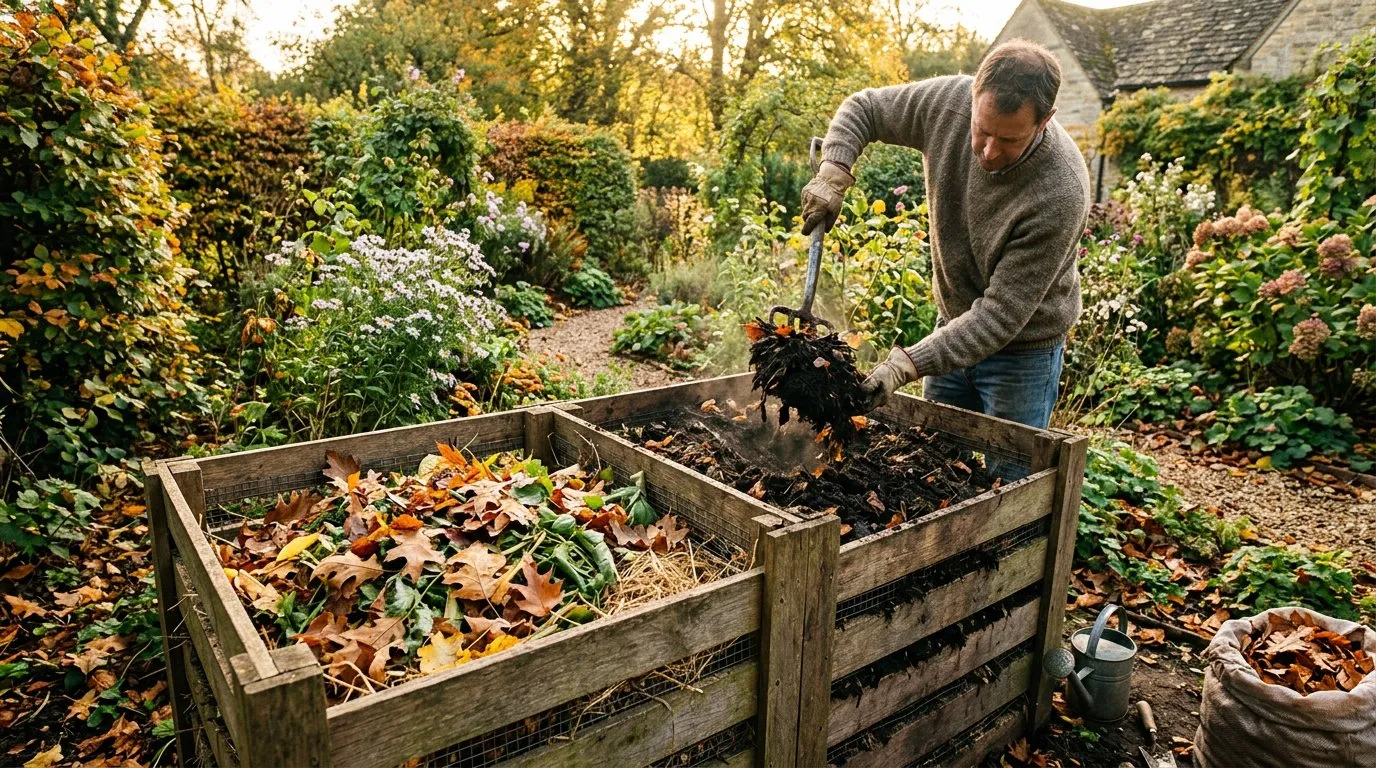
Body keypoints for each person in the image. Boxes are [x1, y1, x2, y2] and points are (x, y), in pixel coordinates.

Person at [801, 39, 1091, 432]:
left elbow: (999, 316)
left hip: (1021, 354)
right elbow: (864, 108)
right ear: (973, 97)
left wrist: (906, 364)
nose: (988, 152)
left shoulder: (1061, 190)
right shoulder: (948, 103)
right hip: (952, 324)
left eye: (1009, 140)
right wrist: (834, 172)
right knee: (933, 460)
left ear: (1045, 120)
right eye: (981, 130)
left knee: (1013, 478)